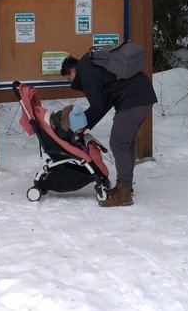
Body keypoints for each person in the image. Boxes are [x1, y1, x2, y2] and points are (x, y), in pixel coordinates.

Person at [61, 49, 156, 207]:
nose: (71, 82)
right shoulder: (92, 66)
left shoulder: (86, 74)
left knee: (119, 143)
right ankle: (124, 187)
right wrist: (86, 124)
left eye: (68, 77)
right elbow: (104, 103)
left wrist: (82, 125)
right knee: (126, 142)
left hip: (133, 100)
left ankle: (124, 192)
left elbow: (98, 106)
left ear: (72, 70)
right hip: (140, 96)